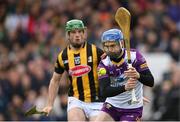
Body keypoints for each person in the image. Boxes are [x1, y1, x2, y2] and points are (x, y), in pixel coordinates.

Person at [42, 19, 105, 121]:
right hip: (76, 100)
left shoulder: (95, 51)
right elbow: (55, 80)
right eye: (74, 32)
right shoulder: (63, 56)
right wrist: (49, 104)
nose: (77, 35)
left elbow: (112, 67)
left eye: (80, 31)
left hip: (97, 100)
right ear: (68, 34)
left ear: (84, 33)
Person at [95, 29, 154, 121]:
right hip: (112, 106)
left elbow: (151, 81)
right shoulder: (104, 64)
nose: (109, 50)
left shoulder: (135, 56)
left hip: (132, 108)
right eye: (106, 46)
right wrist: (125, 87)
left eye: (113, 46)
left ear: (121, 43)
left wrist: (138, 75)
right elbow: (104, 91)